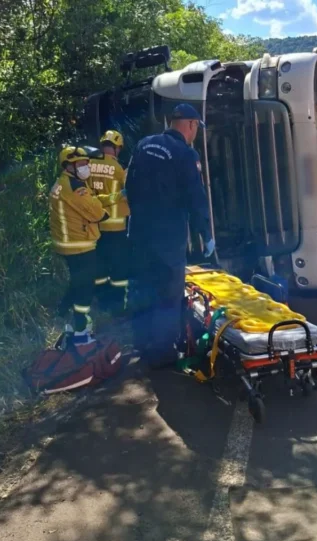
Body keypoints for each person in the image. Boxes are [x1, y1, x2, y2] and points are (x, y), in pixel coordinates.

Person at [124, 103, 214, 368]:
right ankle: (162, 353)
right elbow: (195, 199)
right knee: (167, 293)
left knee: (142, 286)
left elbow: (129, 185)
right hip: (168, 237)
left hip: (139, 233)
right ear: (190, 125)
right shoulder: (185, 154)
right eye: (196, 127)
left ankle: (141, 342)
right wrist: (206, 233)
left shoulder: (144, 145)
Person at [50, 145, 109, 345]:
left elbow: (91, 202)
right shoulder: (76, 188)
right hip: (79, 246)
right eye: (81, 163)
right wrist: (104, 209)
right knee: (84, 289)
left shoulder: (62, 183)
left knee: (77, 282)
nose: (85, 166)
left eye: (86, 163)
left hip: (69, 244)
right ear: (69, 166)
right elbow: (97, 213)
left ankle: (63, 312)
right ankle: (80, 330)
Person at [88, 130, 130, 317]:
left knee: (100, 268)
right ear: (117, 147)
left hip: (96, 227)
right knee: (119, 270)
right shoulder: (119, 169)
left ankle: (102, 303)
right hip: (116, 227)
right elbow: (128, 193)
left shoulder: (88, 166)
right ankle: (118, 306)